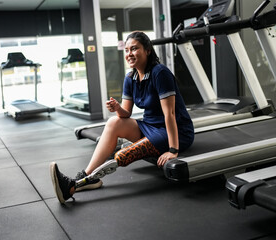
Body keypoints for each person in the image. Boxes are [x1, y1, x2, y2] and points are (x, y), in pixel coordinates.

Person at [50, 31, 194, 204]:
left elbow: (169, 114)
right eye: (126, 50)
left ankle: (73, 186)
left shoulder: (159, 73)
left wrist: (173, 150)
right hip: (149, 126)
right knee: (113, 122)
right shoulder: (130, 77)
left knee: (125, 153)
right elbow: (125, 114)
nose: (129, 54)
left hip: (176, 131)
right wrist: (117, 108)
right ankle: (88, 176)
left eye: (134, 49)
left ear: (147, 50)